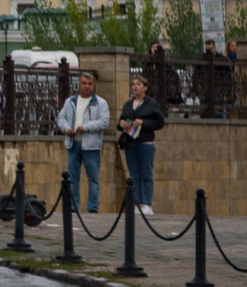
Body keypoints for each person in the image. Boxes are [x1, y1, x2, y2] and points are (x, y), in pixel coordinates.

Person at [55, 69, 108, 216]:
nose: (86, 86)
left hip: (91, 145)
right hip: (73, 143)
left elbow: (104, 122)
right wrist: (67, 129)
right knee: (72, 177)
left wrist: (86, 127)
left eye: (89, 84)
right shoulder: (70, 101)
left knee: (93, 178)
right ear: (79, 84)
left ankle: (93, 207)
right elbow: (61, 118)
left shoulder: (101, 103)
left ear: (93, 86)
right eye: (84, 83)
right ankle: (73, 206)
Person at [119, 69, 166, 216]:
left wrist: (143, 122)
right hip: (130, 141)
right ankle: (137, 202)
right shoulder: (128, 104)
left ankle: (146, 203)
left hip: (145, 142)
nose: (135, 87)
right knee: (134, 174)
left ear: (145, 87)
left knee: (146, 173)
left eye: (138, 84)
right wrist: (122, 123)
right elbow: (122, 120)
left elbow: (159, 122)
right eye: (133, 84)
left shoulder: (151, 103)